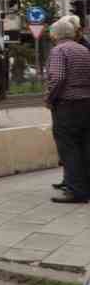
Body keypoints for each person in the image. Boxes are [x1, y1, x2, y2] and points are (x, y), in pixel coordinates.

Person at [46, 17, 90, 204]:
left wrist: (49, 98)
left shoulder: (59, 51)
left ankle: (75, 190)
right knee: (85, 146)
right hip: (86, 103)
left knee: (69, 148)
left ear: (55, 35)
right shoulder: (84, 50)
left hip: (67, 105)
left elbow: (58, 78)